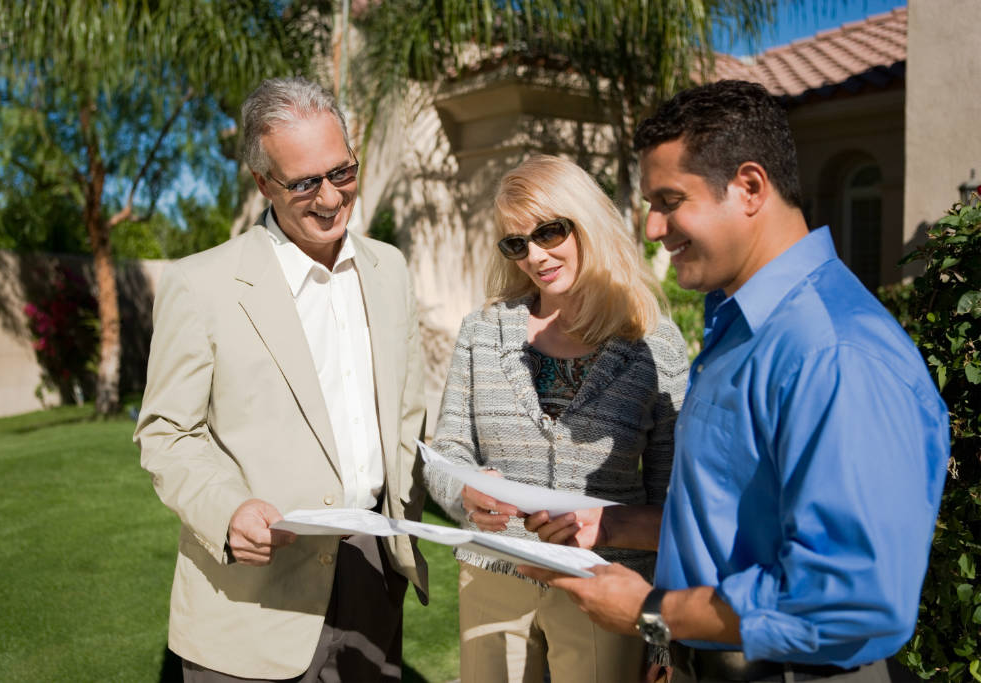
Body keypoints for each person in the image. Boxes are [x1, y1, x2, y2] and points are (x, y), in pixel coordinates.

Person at [519, 80, 950, 683]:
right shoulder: (743, 323)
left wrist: (651, 613)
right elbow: (740, 520)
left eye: (670, 199)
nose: (652, 227)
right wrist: (613, 525)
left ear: (749, 187)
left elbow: (846, 599)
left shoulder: (834, 352)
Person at [133, 76, 428, 682]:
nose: (330, 198)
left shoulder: (390, 269)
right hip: (250, 601)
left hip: (374, 577)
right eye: (304, 183)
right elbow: (167, 433)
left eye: (342, 173)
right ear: (262, 182)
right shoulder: (200, 284)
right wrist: (227, 510)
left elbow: (406, 420)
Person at [423, 154, 690, 682]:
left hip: (605, 583)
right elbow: (445, 453)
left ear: (585, 220)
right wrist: (465, 492)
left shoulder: (655, 344)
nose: (536, 256)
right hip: (493, 574)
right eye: (517, 243)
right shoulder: (483, 331)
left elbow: (672, 502)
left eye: (549, 232)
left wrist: (662, 638)